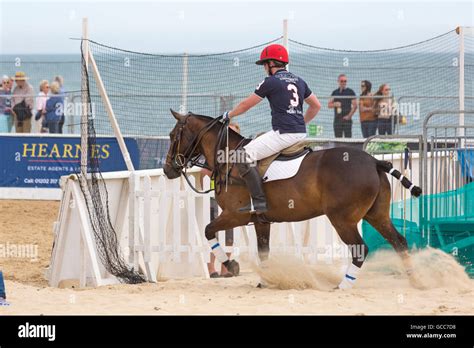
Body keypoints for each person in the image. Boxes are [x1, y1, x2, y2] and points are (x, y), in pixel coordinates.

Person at [221, 44, 321, 214]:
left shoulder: (271, 82)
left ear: (271, 63)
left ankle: (258, 202)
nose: (264, 68)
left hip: (284, 134)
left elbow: (246, 105)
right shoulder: (299, 81)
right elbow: (316, 106)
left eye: (265, 64)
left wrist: (228, 115)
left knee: (241, 156)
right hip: (299, 133)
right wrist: (301, 122)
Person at [203, 122, 241, 278]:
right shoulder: (214, 155)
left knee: (229, 235)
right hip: (215, 197)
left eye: (234, 133)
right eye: (229, 133)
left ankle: (226, 267)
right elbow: (204, 173)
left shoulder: (240, 155)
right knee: (215, 233)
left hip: (233, 199)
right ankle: (212, 267)